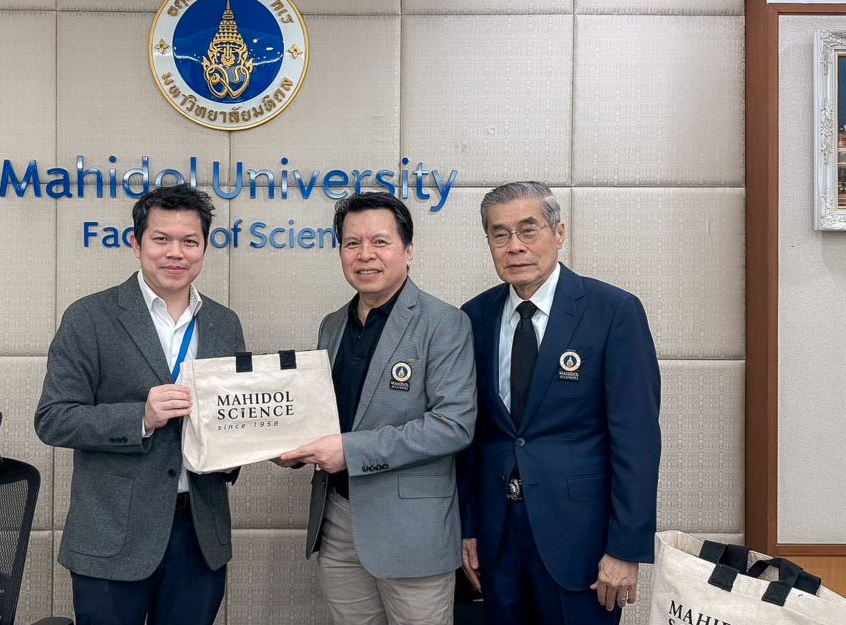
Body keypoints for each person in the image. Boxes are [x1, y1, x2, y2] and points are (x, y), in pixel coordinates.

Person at [35, 184, 245, 625]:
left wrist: (239, 450)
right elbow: (53, 419)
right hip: (113, 534)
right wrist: (141, 418)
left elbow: (232, 414)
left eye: (190, 241)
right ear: (136, 243)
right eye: (161, 239)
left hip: (198, 535)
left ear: (205, 247)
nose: (176, 253)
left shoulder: (224, 323)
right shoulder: (89, 317)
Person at [458, 181, 661, 624]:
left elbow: (637, 440)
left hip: (581, 543)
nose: (515, 246)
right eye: (500, 234)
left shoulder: (613, 311)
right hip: (497, 540)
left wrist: (625, 548)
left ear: (559, 232)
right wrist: (468, 526)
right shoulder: (473, 317)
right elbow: (471, 437)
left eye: (528, 230)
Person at [279, 191, 477, 625]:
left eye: (380, 242)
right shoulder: (333, 325)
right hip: (337, 520)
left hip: (412, 532)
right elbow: (324, 415)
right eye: (352, 243)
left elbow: (453, 425)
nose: (365, 254)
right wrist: (291, 444)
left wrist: (349, 451)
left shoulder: (444, 323)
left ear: (408, 250)